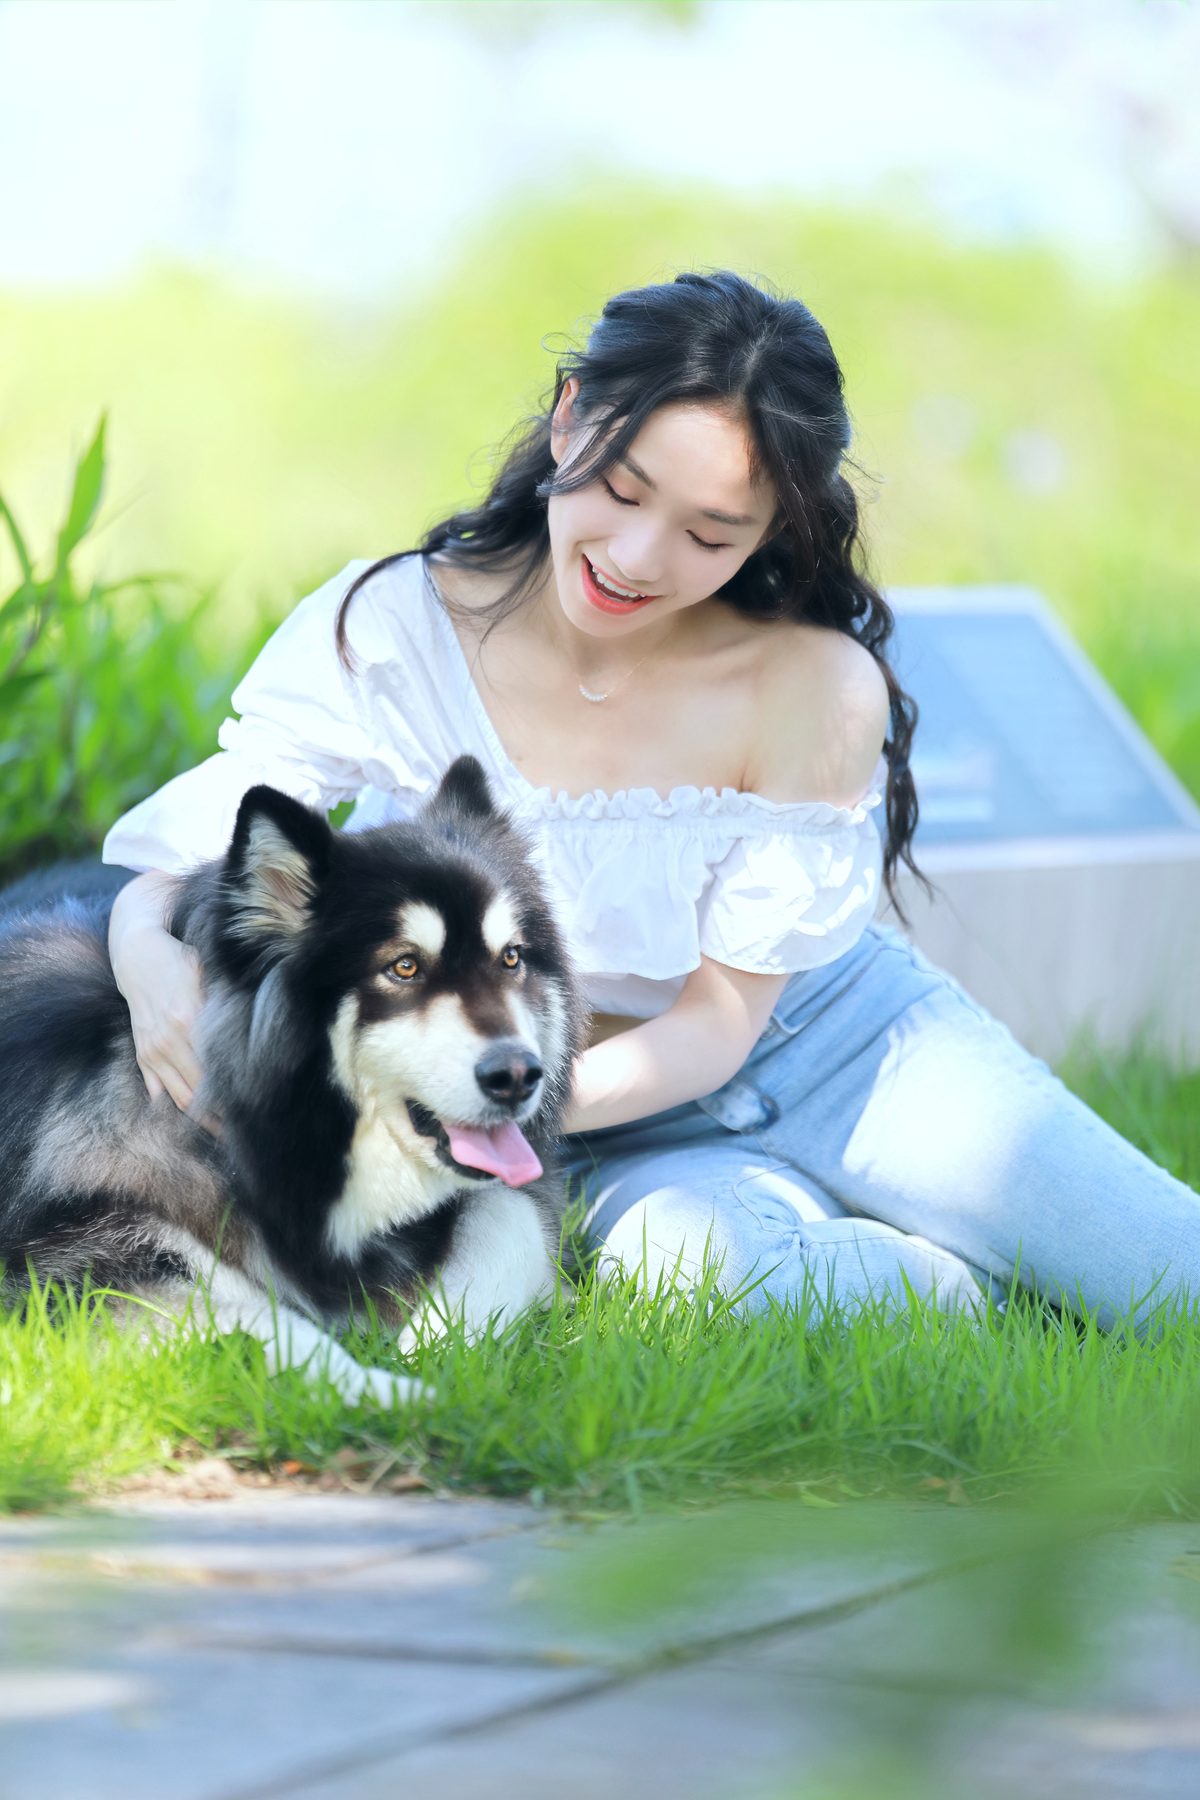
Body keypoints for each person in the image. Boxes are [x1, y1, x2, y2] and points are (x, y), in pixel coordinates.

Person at [104, 270, 1198, 1329]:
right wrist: (142, 952)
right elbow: (199, 853)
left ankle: (1016, 1243)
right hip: (595, 1121)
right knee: (693, 1276)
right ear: (570, 418)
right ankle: (975, 1291)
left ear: (773, 530)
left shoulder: (815, 688)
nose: (634, 557)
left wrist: (472, 1096)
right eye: (623, 491)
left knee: (1170, 1276)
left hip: (836, 1046)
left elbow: (719, 1026)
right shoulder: (393, 629)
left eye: (709, 535)